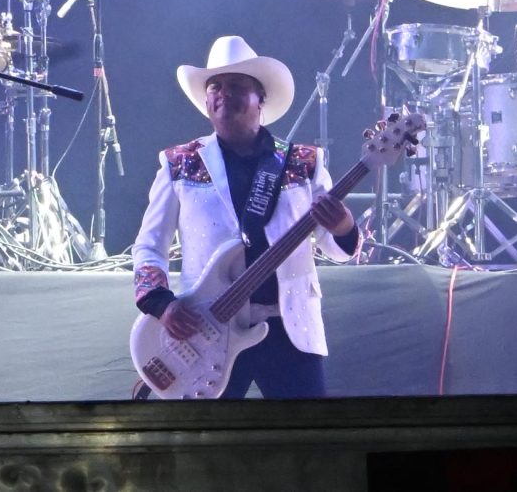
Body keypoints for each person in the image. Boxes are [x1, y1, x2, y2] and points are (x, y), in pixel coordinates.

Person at [131, 35, 357, 399]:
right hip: (207, 330)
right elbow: (149, 245)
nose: (224, 94)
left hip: (290, 328)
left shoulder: (302, 163)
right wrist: (162, 304)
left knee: (308, 433)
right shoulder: (180, 163)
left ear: (260, 99)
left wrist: (343, 226)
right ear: (206, 101)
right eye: (215, 87)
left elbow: (337, 249)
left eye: (237, 85)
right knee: (207, 436)